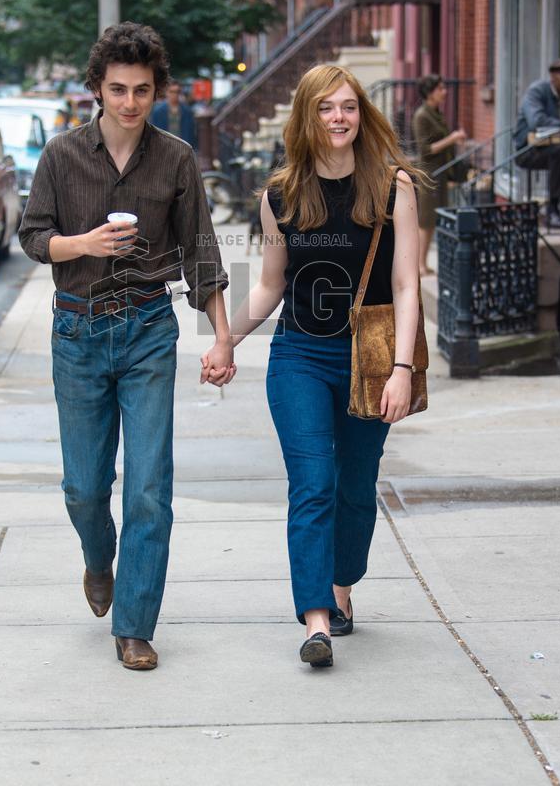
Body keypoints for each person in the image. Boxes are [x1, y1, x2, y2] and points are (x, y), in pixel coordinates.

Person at [19, 22, 234, 671]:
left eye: (142, 90)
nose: (131, 102)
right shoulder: (62, 155)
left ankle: (135, 624)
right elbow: (32, 237)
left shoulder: (174, 158)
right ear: (97, 89)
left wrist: (222, 336)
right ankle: (97, 557)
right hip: (78, 331)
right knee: (84, 488)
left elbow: (202, 252)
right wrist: (83, 244)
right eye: (119, 89)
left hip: (146, 328)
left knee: (149, 489)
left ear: (157, 90)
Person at [210, 63, 422, 669]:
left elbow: (407, 285)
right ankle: (316, 621)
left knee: (355, 486)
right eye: (326, 108)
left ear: (361, 115)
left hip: (372, 361)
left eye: (349, 107)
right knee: (313, 485)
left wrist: (402, 368)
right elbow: (271, 284)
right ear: (306, 116)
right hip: (299, 355)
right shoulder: (279, 195)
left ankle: (342, 586)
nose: (338, 118)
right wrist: (226, 341)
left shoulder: (392, 187)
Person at [514, 60, 560, 227]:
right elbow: (537, 121)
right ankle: (552, 209)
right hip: (528, 151)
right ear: (553, 77)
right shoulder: (537, 92)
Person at [412, 75, 466, 277]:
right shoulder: (421, 116)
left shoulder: (436, 114)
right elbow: (425, 149)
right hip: (429, 173)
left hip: (442, 173)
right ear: (430, 92)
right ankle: (419, 265)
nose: (444, 91)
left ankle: (423, 263)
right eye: (440, 88)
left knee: (434, 220)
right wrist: (452, 138)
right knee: (425, 221)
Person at [150, 80, 197, 148]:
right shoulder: (158, 111)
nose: (175, 94)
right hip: (164, 148)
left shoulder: (187, 111)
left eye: (177, 92)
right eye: (171, 91)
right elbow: (154, 133)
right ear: (166, 92)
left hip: (183, 149)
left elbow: (191, 134)